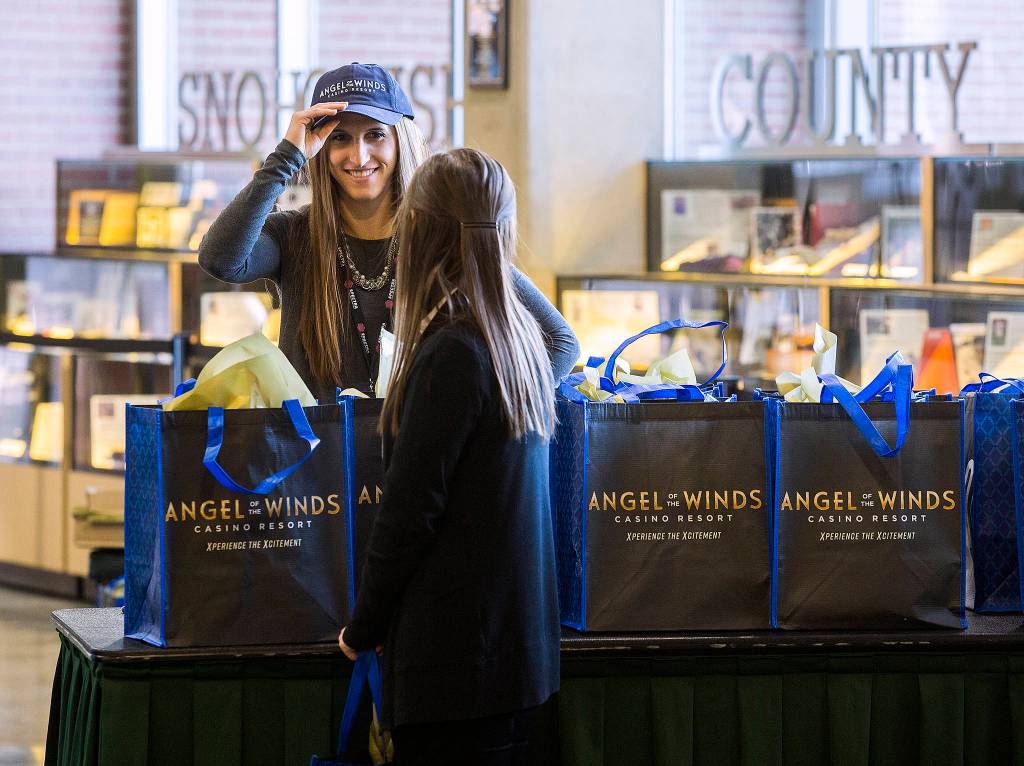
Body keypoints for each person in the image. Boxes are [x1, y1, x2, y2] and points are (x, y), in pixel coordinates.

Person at [338, 148, 560, 765]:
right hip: (518, 662)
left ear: (420, 231)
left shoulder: (453, 350)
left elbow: (410, 512)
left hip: (456, 669)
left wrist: (362, 628)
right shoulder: (517, 340)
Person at [198, 62, 579, 401]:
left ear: (400, 141)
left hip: (419, 469)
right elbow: (220, 259)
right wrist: (286, 158)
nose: (359, 157)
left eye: (375, 135)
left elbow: (559, 342)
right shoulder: (294, 234)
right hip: (319, 467)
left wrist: (483, 417)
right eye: (339, 138)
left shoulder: (443, 241)